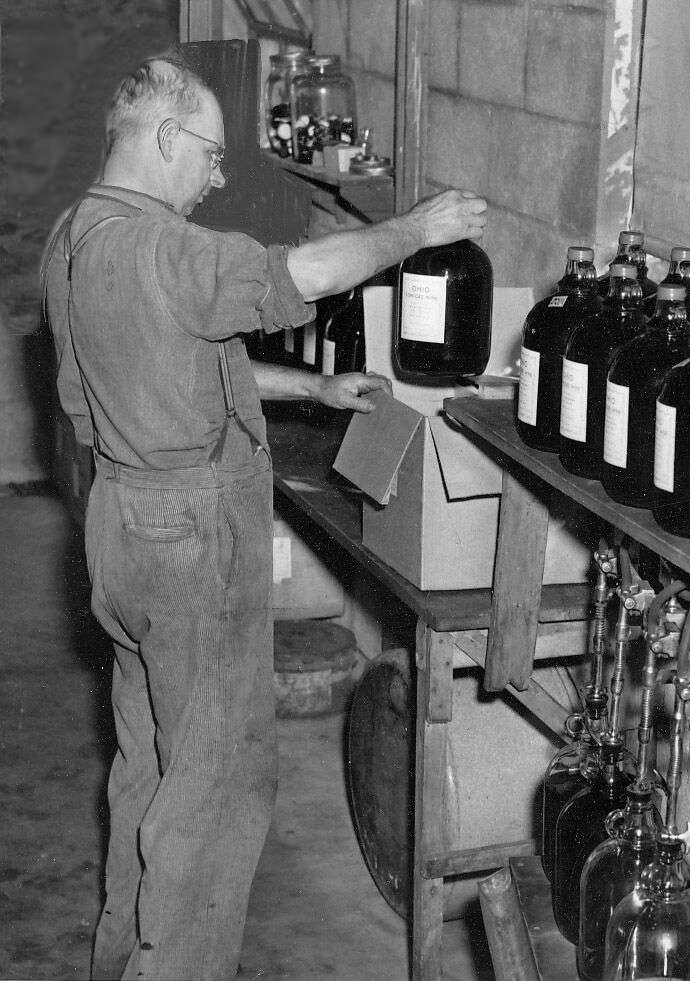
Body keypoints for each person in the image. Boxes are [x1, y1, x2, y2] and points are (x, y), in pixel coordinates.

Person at [40, 55, 487, 980]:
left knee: (152, 764)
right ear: (165, 139)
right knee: (218, 786)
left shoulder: (75, 238)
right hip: (189, 538)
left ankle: (123, 957)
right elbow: (302, 273)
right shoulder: (167, 246)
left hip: (121, 526)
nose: (216, 176)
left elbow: (178, 362)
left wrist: (313, 385)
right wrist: (414, 229)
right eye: (208, 154)